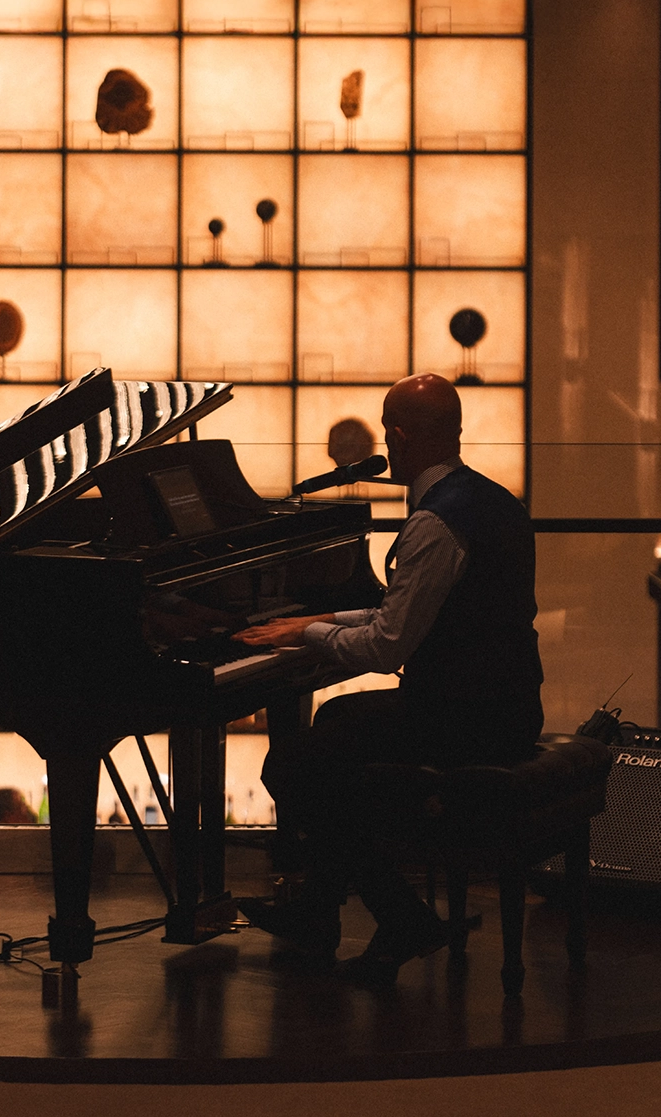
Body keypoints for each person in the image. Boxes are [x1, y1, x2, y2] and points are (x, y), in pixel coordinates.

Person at [232, 373, 543, 985]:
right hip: (508, 705)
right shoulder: (491, 500)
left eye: (385, 430)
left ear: (398, 436)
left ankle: (400, 917)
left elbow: (386, 644)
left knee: (292, 766)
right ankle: (319, 912)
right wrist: (323, 620)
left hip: (464, 718)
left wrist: (305, 632)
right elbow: (410, 612)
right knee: (334, 723)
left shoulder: (435, 523)